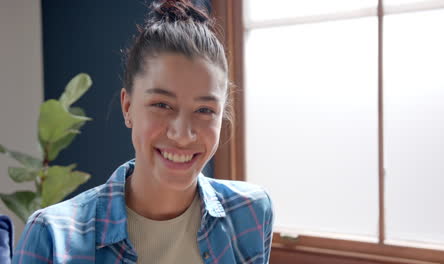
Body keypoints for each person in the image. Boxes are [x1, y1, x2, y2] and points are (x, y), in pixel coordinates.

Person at [12, 0, 274, 263]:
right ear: (128, 107)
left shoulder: (250, 213)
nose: (182, 135)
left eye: (204, 109)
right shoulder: (53, 237)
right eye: (162, 105)